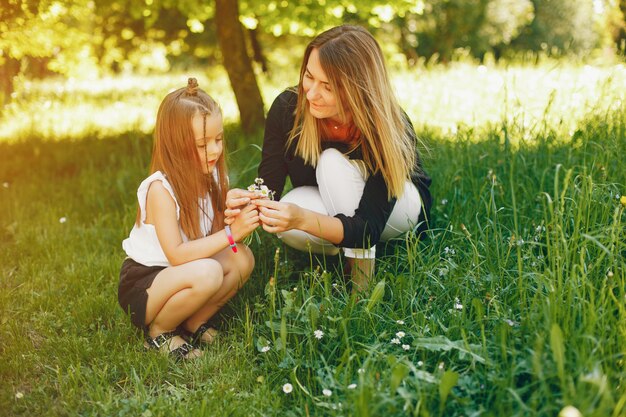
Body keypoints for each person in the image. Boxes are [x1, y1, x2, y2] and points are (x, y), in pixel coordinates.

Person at [227, 25, 432, 291]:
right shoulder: (288, 109)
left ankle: (361, 284)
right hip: (336, 203)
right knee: (290, 208)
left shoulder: (387, 124)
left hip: (400, 209)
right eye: (309, 76)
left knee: (332, 163)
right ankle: (342, 245)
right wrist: (244, 202)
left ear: (358, 88)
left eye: (327, 86)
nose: (311, 93)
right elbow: (269, 189)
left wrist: (303, 219)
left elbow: (369, 227)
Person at [118, 78, 259, 360]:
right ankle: (159, 333)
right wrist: (232, 233)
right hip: (146, 283)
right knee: (209, 272)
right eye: (202, 144)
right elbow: (177, 254)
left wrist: (233, 210)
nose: (215, 151)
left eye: (218, 139)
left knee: (242, 258)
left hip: (187, 272)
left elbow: (213, 238)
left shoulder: (214, 176)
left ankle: (193, 322)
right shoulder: (161, 190)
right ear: (176, 146)